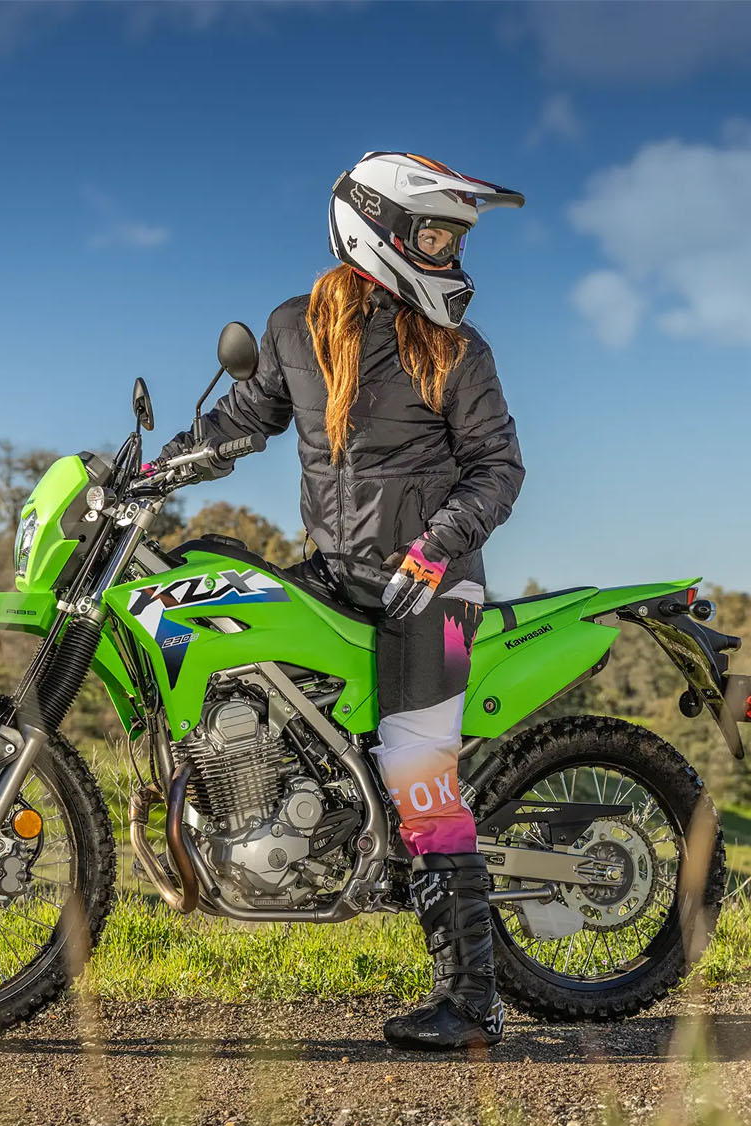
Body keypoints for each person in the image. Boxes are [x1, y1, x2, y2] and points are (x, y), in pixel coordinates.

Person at [158, 151, 526, 1052]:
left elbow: (498, 470)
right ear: (383, 230)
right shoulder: (297, 328)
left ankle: (473, 1002)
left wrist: (434, 549)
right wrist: (153, 470)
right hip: (336, 568)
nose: (446, 252)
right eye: (435, 233)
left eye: (451, 237)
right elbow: (244, 420)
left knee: (418, 770)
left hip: (433, 585)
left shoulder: (456, 348)